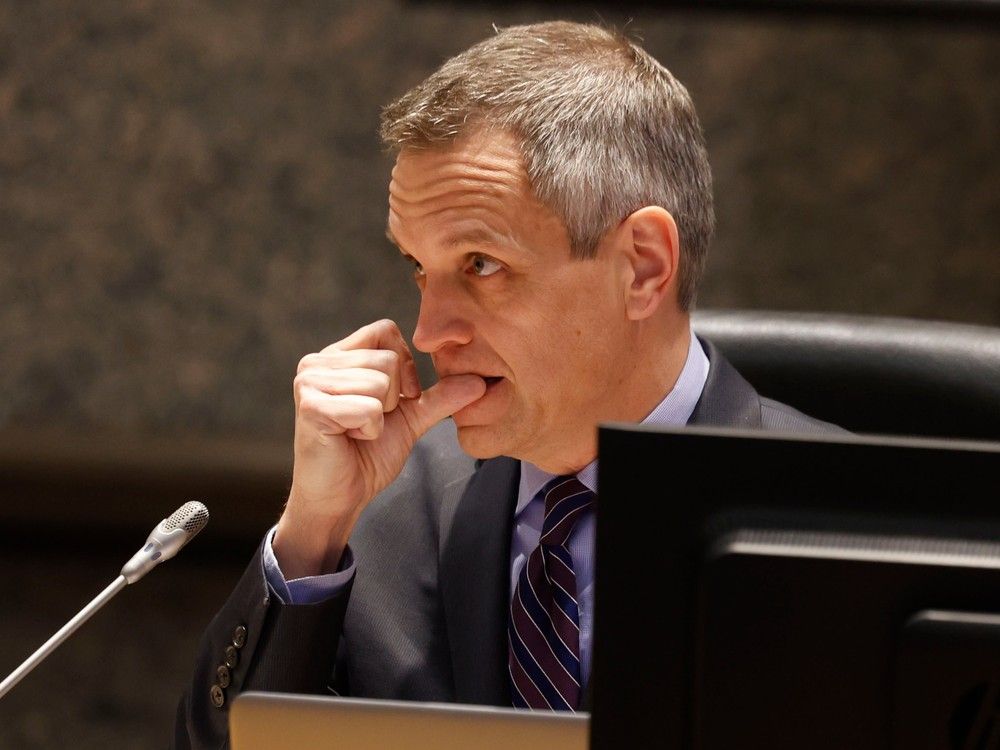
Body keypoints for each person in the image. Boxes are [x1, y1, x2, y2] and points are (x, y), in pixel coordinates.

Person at [173, 20, 839, 748]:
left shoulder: (838, 517)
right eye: (419, 268)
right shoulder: (385, 511)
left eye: (481, 265)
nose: (429, 334)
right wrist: (311, 534)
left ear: (643, 266)